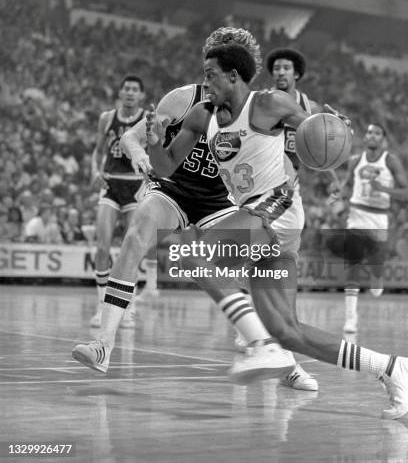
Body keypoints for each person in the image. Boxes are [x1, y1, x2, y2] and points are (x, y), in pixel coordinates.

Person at [140, 41, 408, 420]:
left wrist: (337, 130)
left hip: (277, 209)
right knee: (289, 331)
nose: (205, 82)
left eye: (211, 74)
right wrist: (153, 143)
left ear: (233, 76)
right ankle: (391, 367)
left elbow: (318, 134)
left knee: (195, 256)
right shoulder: (203, 116)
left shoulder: (268, 104)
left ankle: (259, 341)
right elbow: (165, 168)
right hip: (257, 217)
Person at [72, 28, 315, 391]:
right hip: (175, 188)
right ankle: (104, 344)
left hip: (222, 197)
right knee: (137, 234)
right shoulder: (184, 100)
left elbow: (286, 145)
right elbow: (133, 137)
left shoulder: (258, 107)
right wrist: (142, 152)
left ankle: (282, 357)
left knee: (248, 265)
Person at [327, 123, 408, 333]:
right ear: (365, 138)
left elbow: (405, 193)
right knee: (352, 262)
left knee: (377, 271)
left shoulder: (390, 161)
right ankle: (351, 319)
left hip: (379, 219)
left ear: (383, 139)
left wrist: (381, 188)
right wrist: (336, 196)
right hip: (356, 216)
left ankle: (376, 275)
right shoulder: (355, 161)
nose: (372, 135)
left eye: (377, 133)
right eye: (369, 132)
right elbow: (345, 188)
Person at [90, 74, 146, 328]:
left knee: (131, 248)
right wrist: (94, 171)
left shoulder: (147, 119)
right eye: (127, 89)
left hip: (135, 184)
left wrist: (147, 182)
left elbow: (153, 152)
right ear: (120, 92)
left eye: (135, 89)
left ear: (141, 95)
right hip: (111, 183)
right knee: (102, 247)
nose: (131, 93)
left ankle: (128, 305)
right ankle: (102, 306)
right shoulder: (106, 118)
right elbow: (98, 151)